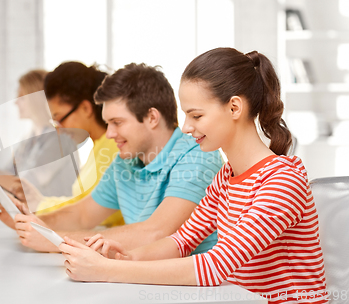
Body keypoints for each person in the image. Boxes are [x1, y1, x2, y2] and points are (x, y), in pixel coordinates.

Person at [60, 48, 327, 304]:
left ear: (234, 108)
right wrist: (126, 259)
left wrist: (106, 271)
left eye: (196, 115)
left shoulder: (283, 181)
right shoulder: (225, 178)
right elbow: (181, 241)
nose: (186, 127)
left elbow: (215, 265)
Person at [0, 63, 223, 254]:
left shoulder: (197, 154)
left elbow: (155, 233)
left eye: (117, 122)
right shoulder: (127, 162)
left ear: (152, 117)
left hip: (203, 291)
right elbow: (83, 215)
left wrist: (55, 240)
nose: (110, 133)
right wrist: (29, 222)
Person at [0, 62, 125, 228]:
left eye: (60, 119)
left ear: (85, 108)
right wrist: (38, 202)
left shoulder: (115, 150)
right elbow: (81, 203)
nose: (58, 129)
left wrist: (37, 214)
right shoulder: (98, 148)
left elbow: (89, 215)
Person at [0, 69, 78, 197]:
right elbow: (4, 179)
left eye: (22, 97)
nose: (15, 102)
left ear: (37, 99)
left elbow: (21, 188)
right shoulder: (29, 139)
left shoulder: (61, 141)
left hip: (54, 215)